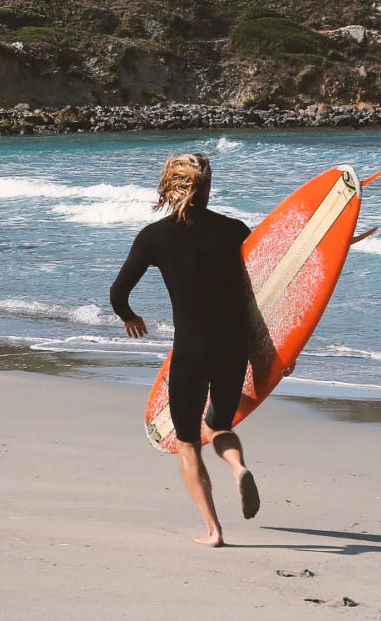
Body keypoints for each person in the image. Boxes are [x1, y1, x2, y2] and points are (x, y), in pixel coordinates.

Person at [110, 152, 260, 547]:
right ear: (207, 187)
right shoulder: (235, 230)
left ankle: (214, 531)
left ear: (169, 186)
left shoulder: (154, 237)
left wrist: (129, 316)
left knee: (190, 441)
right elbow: (266, 289)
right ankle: (238, 465)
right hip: (234, 346)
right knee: (219, 426)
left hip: (192, 350)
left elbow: (118, 292)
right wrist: (281, 350)